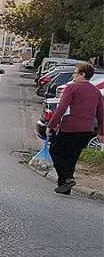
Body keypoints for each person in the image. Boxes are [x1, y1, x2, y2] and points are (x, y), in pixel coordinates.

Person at [47, 62, 104, 194]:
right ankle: (64, 187)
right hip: (86, 130)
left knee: (55, 151)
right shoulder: (96, 91)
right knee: (71, 157)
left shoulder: (72, 88)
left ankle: (67, 178)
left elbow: (61, 108)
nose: (73, 75)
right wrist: (102, 132)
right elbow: (101, 113)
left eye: (75, 72)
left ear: (82, 74)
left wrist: (52, 125)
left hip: (69, 127)